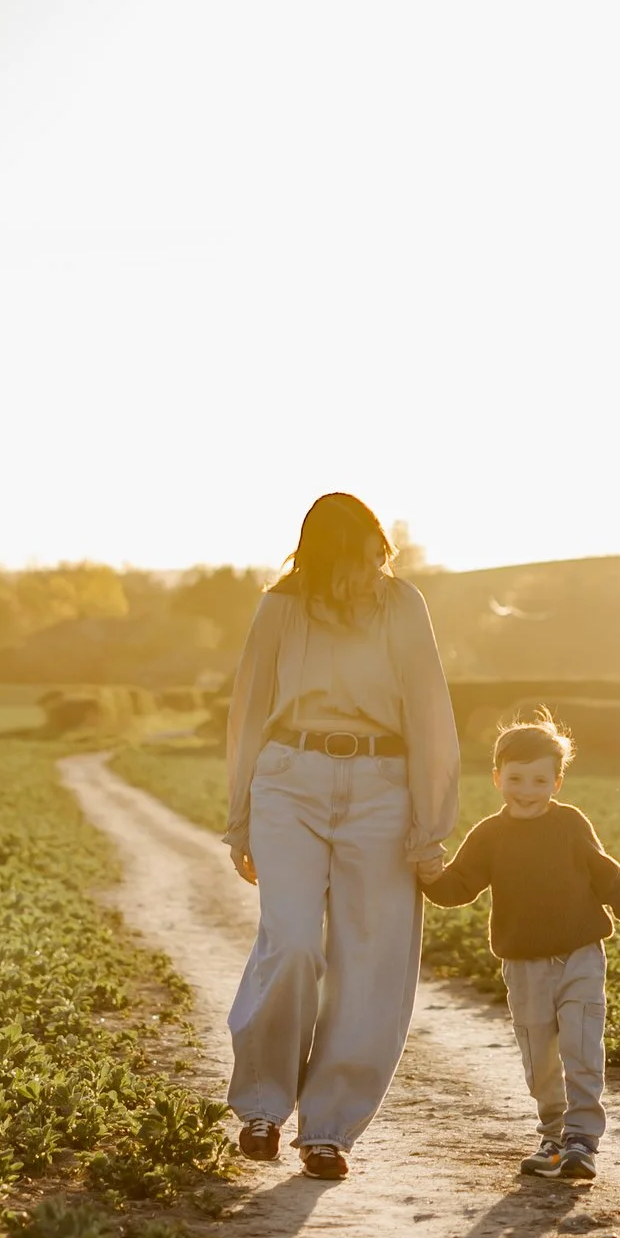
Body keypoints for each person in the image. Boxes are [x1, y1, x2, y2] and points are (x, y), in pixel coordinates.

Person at [222, 491, 458, 1181]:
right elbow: (248, 709)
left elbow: (430, 708)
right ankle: (262, 1106)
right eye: (350, 555)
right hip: (288, 777)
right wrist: (239, 814)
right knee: (292, 941)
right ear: (321, 556)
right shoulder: (280, 606)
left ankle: (328, 1130)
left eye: (370, 553)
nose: (364, 567)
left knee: (371, 958)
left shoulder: (403, 604)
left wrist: (430, 821)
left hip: (382, 785)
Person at [417, 708, 620, 1183]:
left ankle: (582, 1140)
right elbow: (459, 886)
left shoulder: (570, 824)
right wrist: (429, 876)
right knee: (540, 1057)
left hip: (581, 955)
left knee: (581, 1045)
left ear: (557, 783)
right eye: (516, 779)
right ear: (497, 778)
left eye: (539, 780)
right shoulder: (489, 835)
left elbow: (605, 874)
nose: (527, 790)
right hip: (523, 965)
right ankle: (553, 1136)